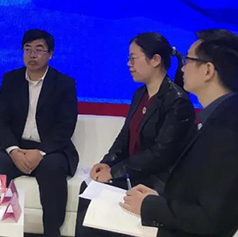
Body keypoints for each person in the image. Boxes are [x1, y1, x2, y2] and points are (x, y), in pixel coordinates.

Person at [116, 29, 238, 236]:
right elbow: (204, 191)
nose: (182, 67)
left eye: (188, 60)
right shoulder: (227, 117)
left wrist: (150, 206)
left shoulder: (232, 133)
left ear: (208, 70)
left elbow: (210, 220)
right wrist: (159, 197)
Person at [75, 33, 196, 236]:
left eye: (133, 58)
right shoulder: (139, 94)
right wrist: (106, 163)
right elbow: (125, 136)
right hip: (134, 173)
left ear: (155, 60)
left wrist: (114, 172)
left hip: (155, 181)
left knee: (96, 201)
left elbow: (160, 153)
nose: (128, 64)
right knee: (88, 187)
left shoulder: (177, 101)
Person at [0, 29, 78, 237]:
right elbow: (1, 121)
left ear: (50, 54)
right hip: (17, 146)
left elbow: (66, 126)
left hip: (52, 149)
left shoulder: (64, 83)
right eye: (27, 49)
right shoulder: (10, 80)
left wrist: (40, 152)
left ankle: (51, 231)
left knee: (52, 169)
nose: (32, 55)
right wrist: (13, 151)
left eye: (39, 50)